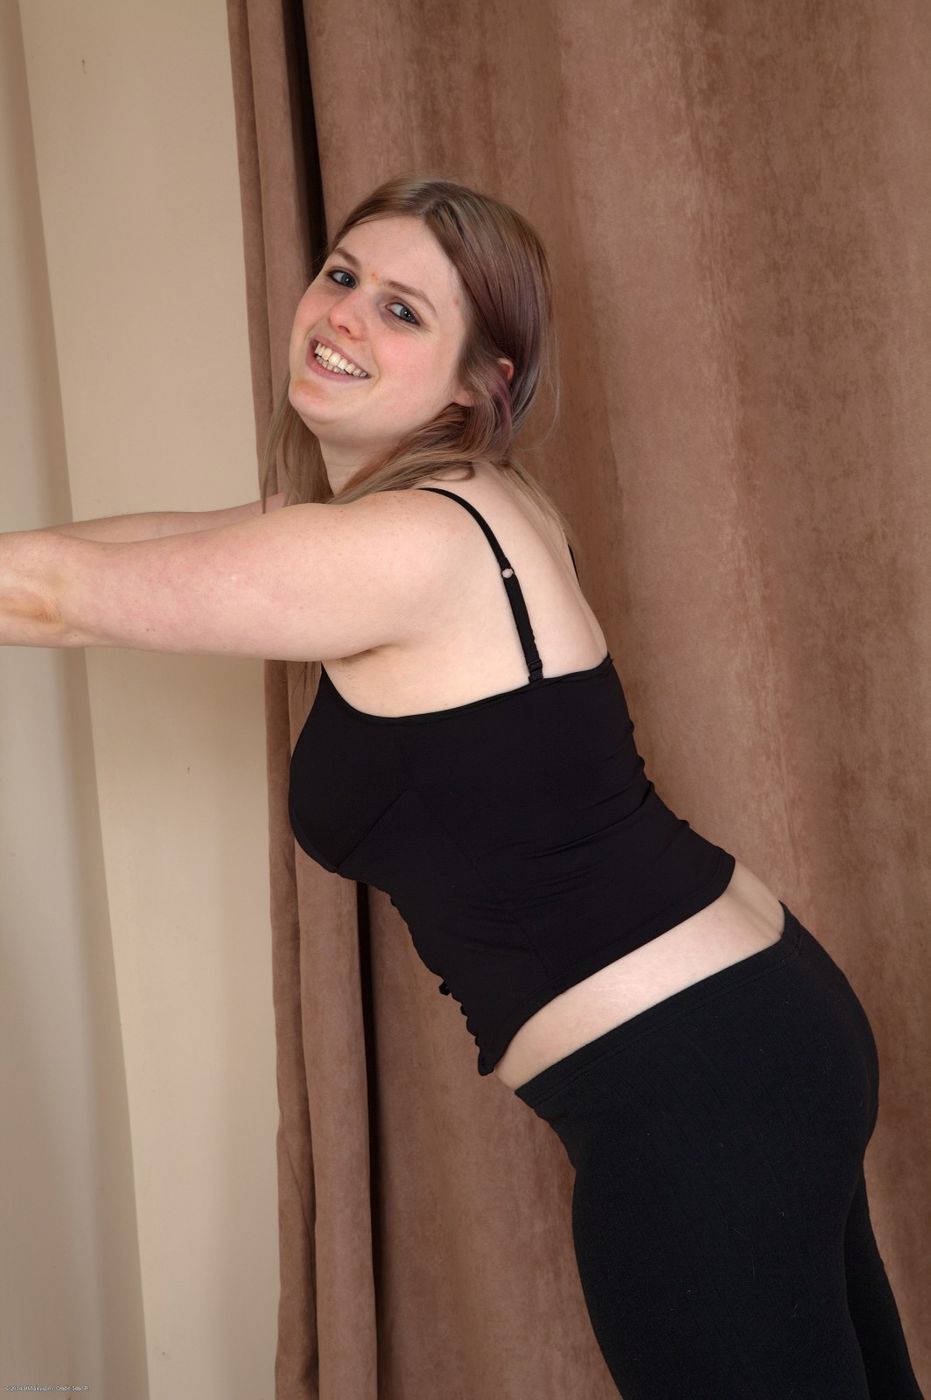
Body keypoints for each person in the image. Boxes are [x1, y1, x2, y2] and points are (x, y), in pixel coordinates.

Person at [2, 174, 922, 1397]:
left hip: (697, 1083)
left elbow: (56, 599)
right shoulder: (450, 506)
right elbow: (166, 548)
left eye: (403, 310)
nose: (344, 315)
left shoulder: (407, 545)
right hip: (753, 1030)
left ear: (477, 382)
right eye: (341, 275)